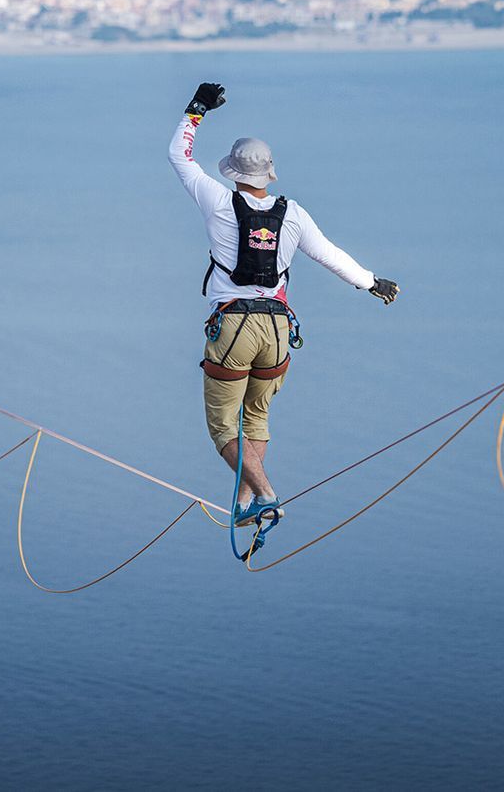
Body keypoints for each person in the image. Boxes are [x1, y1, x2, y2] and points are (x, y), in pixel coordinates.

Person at [169, 81, 399, 528]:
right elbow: (329, 254)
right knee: (255, 419)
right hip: (277, 331)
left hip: (233, 327)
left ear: (233, 172)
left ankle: (266, 494)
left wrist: (196, 110)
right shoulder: (293, 213)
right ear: (269, 172)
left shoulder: (218, 200)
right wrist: (372, 282)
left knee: (223, 426)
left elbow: (180, 156)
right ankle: (245, 504)